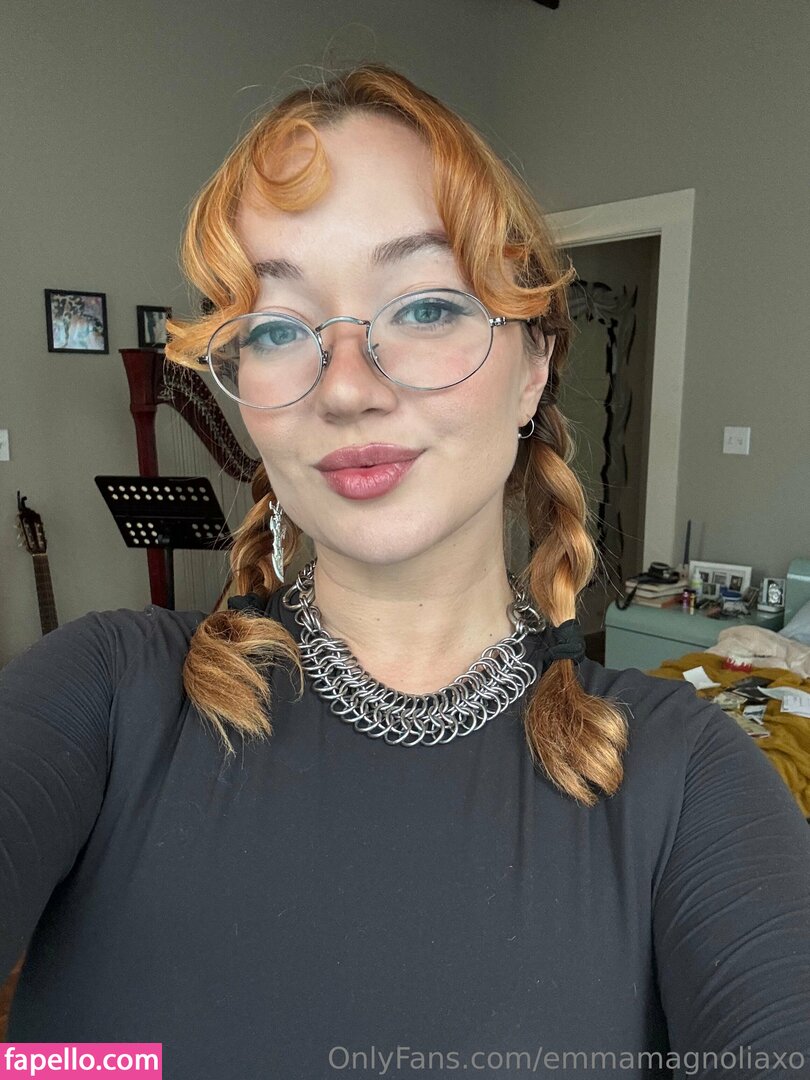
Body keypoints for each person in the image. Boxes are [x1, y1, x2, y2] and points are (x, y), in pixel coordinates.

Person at [2, 63, 809, 1079]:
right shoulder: (100, 693)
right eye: (278, 327)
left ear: (533, 367)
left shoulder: (688, 780)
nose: (345, 389)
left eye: (425, 308)